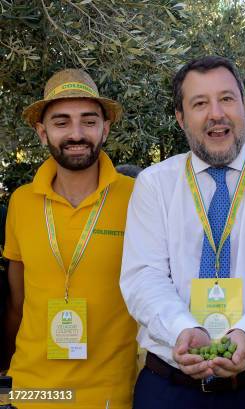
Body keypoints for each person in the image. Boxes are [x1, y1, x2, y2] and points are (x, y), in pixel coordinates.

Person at [119, 55, 245, 409]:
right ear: (181, 118)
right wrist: (183, 330)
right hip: (168, 391)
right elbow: (143, 278)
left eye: (227, 98)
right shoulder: (154, 185)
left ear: (244, 105)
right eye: (199, 103)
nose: (216, 113)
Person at [3, 69, 138, 408]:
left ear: (105, 129)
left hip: (110, 394)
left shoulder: (138, 198)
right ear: (42, 132)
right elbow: (17, 305)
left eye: (88, 121)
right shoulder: (21, 201)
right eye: (61, 122)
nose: (76, 134)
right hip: (31, 391)